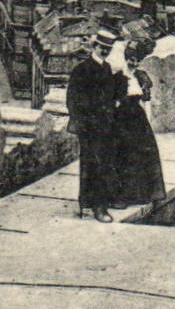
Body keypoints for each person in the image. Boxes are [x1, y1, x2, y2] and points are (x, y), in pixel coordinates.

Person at [65, 28, 126, 222]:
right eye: (102, 47)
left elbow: (116, 94)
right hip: (90, 127)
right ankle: (95, 206)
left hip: (106, 126)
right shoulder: (82, 69)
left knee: (104, 164)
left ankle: (94, 203)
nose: (105, 51)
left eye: (108, 48)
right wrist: (84, 122)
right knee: (93, 165)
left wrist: (120, 79)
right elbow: (73, 100)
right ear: (95, 46)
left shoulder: (108, 68)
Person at [106, 34, 166, 208]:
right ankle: (121, 197)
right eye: (131, 59)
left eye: (136, 60)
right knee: (123, 156)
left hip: (137, 119)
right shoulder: (118, 76)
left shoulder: (140, 76)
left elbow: (145, 101)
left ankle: (140, 194)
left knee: (141, 155)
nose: (133, 63)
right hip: (121, 118)